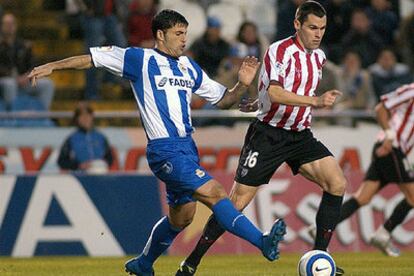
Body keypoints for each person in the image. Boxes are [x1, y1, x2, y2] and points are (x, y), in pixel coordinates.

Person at [28, 9, 287, 276]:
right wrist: (53, 66)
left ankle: (143, 263)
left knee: (182, 217)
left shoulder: (188, 67)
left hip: (188, 147)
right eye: (178, 34)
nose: (184, 39)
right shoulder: (139, 59)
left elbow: (224, 101)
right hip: (165, 150)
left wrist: (242, 85)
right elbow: (93, 59)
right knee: (216, 193)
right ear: (160, 35)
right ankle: (262, 241)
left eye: (185, 33)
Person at [176, 2, 346, 276]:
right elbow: (278, 93)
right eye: (313, 27)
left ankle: (320, 258)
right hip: (268, 135)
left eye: (322, 28)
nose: (318, 34)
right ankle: (191, 262)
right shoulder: (279, 50)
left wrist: (259, 100)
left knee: (336, 183)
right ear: (297, 24)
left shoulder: (319, 57)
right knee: (236, 204)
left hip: (300, 135)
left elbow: (276, 89)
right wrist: (315, 101)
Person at [309, 83, 414, 257]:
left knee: (363, 197)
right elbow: (381, 108)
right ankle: (383, 233)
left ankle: (321, 227)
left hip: (393, 149)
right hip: (391, 147)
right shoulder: (410, 91)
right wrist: (389, 136)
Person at [0, 13, 54, 111]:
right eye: (6, 24)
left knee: (47, 84)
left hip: (25, 80)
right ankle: (12, 117)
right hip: (5, 80)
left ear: (15, 26)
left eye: (11, 24)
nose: (9, 27)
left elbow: (33, 64)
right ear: (2, 26)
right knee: (10, 84)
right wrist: (14, 77)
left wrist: (27, 76)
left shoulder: (24, 45)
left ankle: (42, 116)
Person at [57, 102, 113, 173]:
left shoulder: (101, 137)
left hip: (101, 174)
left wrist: (102, 163)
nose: (85, 118)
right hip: (81, 176)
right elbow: (61, 161)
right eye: (81, 116)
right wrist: (79, 165)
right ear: (77, 119)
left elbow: (109, 157)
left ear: (92, 116)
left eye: (87, 115)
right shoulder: (72, 139)